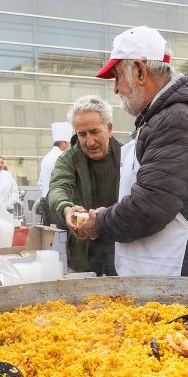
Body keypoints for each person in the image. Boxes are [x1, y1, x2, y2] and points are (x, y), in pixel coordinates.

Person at [69, 26, 188, 277]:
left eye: (117, 77)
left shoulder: (176, 120)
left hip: (183, 274)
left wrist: (99, 223)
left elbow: (150, 207)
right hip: (168, 272)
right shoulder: (162, 118)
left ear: (140, 71)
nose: (116, 88)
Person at [46, 95, 121, 275]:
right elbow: (58, 188)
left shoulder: (126, 156)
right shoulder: (68, 159)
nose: (89, 141)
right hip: (82, 252)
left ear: (109, 129)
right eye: (82, 134)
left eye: (95, 132)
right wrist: (66, 209)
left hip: (120, 250)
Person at [37, 121, 72, 224]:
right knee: (60, 232)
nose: (70, 146)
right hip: (58, 203)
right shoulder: (62, 157)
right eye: (69, 143)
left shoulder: (46, 157)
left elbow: (40, 183)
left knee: (48, 232)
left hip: (45, 201)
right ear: (63, 143)